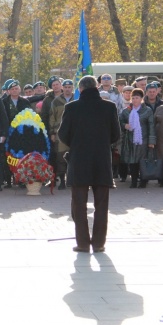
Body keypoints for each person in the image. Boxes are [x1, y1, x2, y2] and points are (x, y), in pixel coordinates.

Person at [57, 75, 120, 253]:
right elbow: (116, 135)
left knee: (79, 204)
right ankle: (99, 243)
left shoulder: (71, 107)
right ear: (96, 87)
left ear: (80, 89)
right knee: (102, 204)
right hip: (102, 159)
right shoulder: (109, 107)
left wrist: (76, 143)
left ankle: (83, 243)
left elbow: (63, 134)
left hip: (79, 159)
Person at [118, 88, 156, 188]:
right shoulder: (126, 111)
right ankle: (133, 181)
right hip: (130, 140)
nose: (135, 100)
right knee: (132, 161)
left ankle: (143, 181)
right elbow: (120, 122)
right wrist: (124, 125)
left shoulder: (147, 110)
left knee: (143, 161)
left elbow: (151, 126)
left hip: (143, 140)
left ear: (141, 99)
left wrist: (151, 141)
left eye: (137, 98)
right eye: (133, 98)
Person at [49, 79, 75, 190]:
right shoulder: (56, 101)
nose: (67, 89)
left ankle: (73, 180)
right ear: (62, 88)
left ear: (72, 88)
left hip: (75, 133)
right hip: (60, 132)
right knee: (61, 157)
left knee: (75, 157)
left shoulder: (77, 99)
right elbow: (52, 118)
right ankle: (62, 181)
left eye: (70, 87)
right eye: (66, 87)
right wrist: (52, 133)